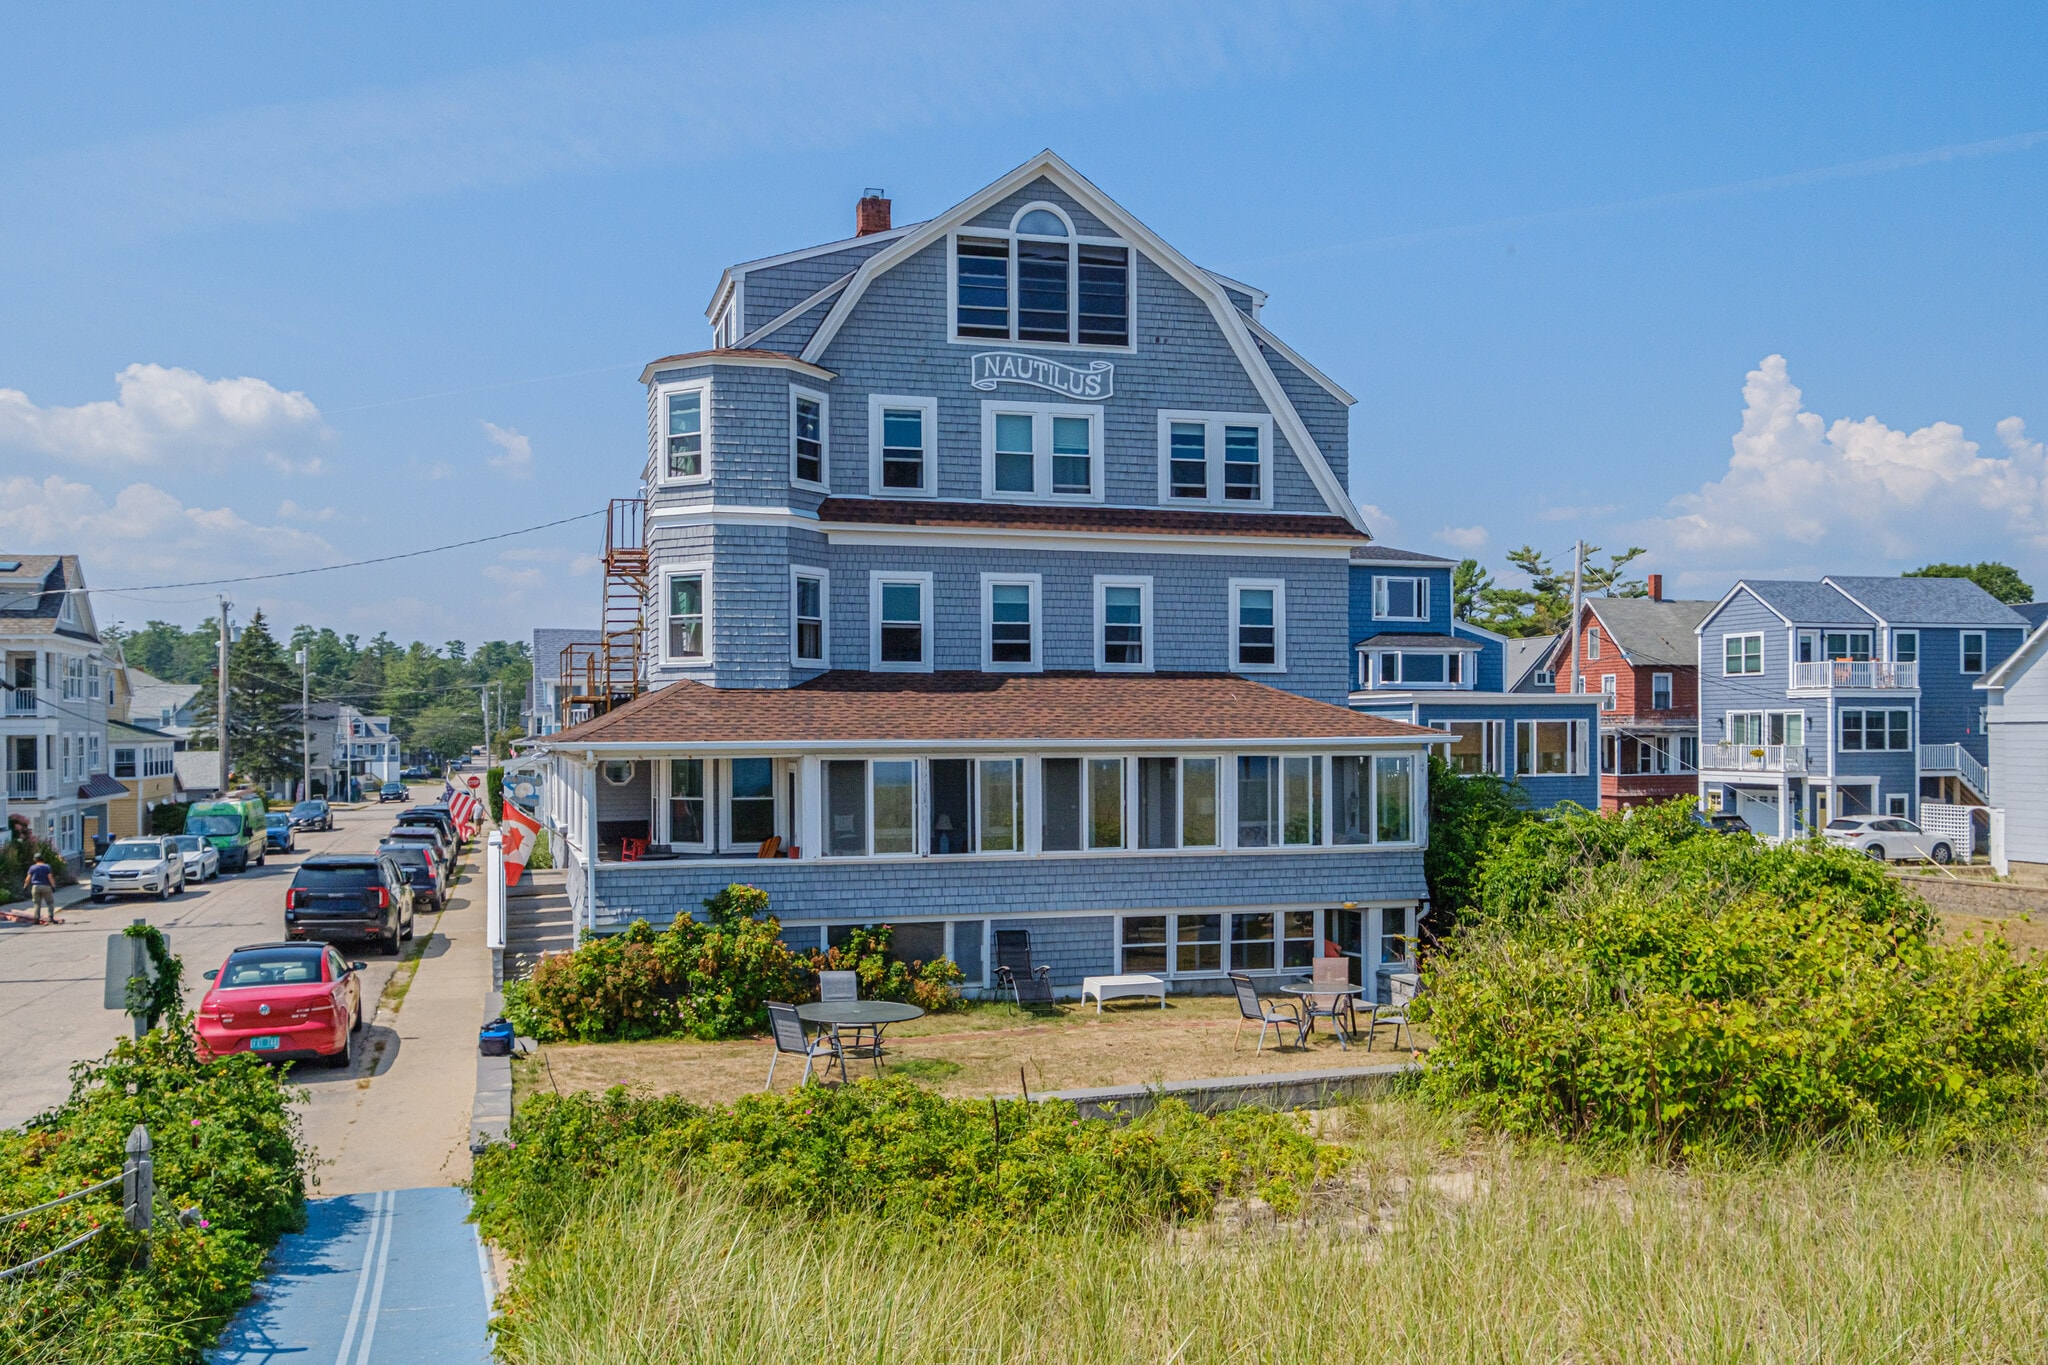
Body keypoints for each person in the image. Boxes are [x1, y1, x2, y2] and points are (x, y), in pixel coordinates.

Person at [24, 854, 56, 925]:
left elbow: (28, 878)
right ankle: (51, 917)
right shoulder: (47, 867)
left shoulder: (32, 867)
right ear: (43, 859)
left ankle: (36, 919)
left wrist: (25, 886)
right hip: (46, 886)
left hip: (35, 887)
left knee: (37, 903)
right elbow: (50, 877)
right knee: (50, 902)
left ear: (35, 860)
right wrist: (53, 886)